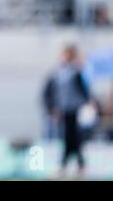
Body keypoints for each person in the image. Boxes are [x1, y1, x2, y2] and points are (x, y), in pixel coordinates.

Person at [42, 45, 90, 176]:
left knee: (71, 136)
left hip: (74, 109)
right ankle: (78, 164)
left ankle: (67, 164)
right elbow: (48, 93)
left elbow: (84, 92)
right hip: (62, 110)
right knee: (71, 137)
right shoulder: (56, 74)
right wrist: (51, 108)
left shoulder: (76, 72)